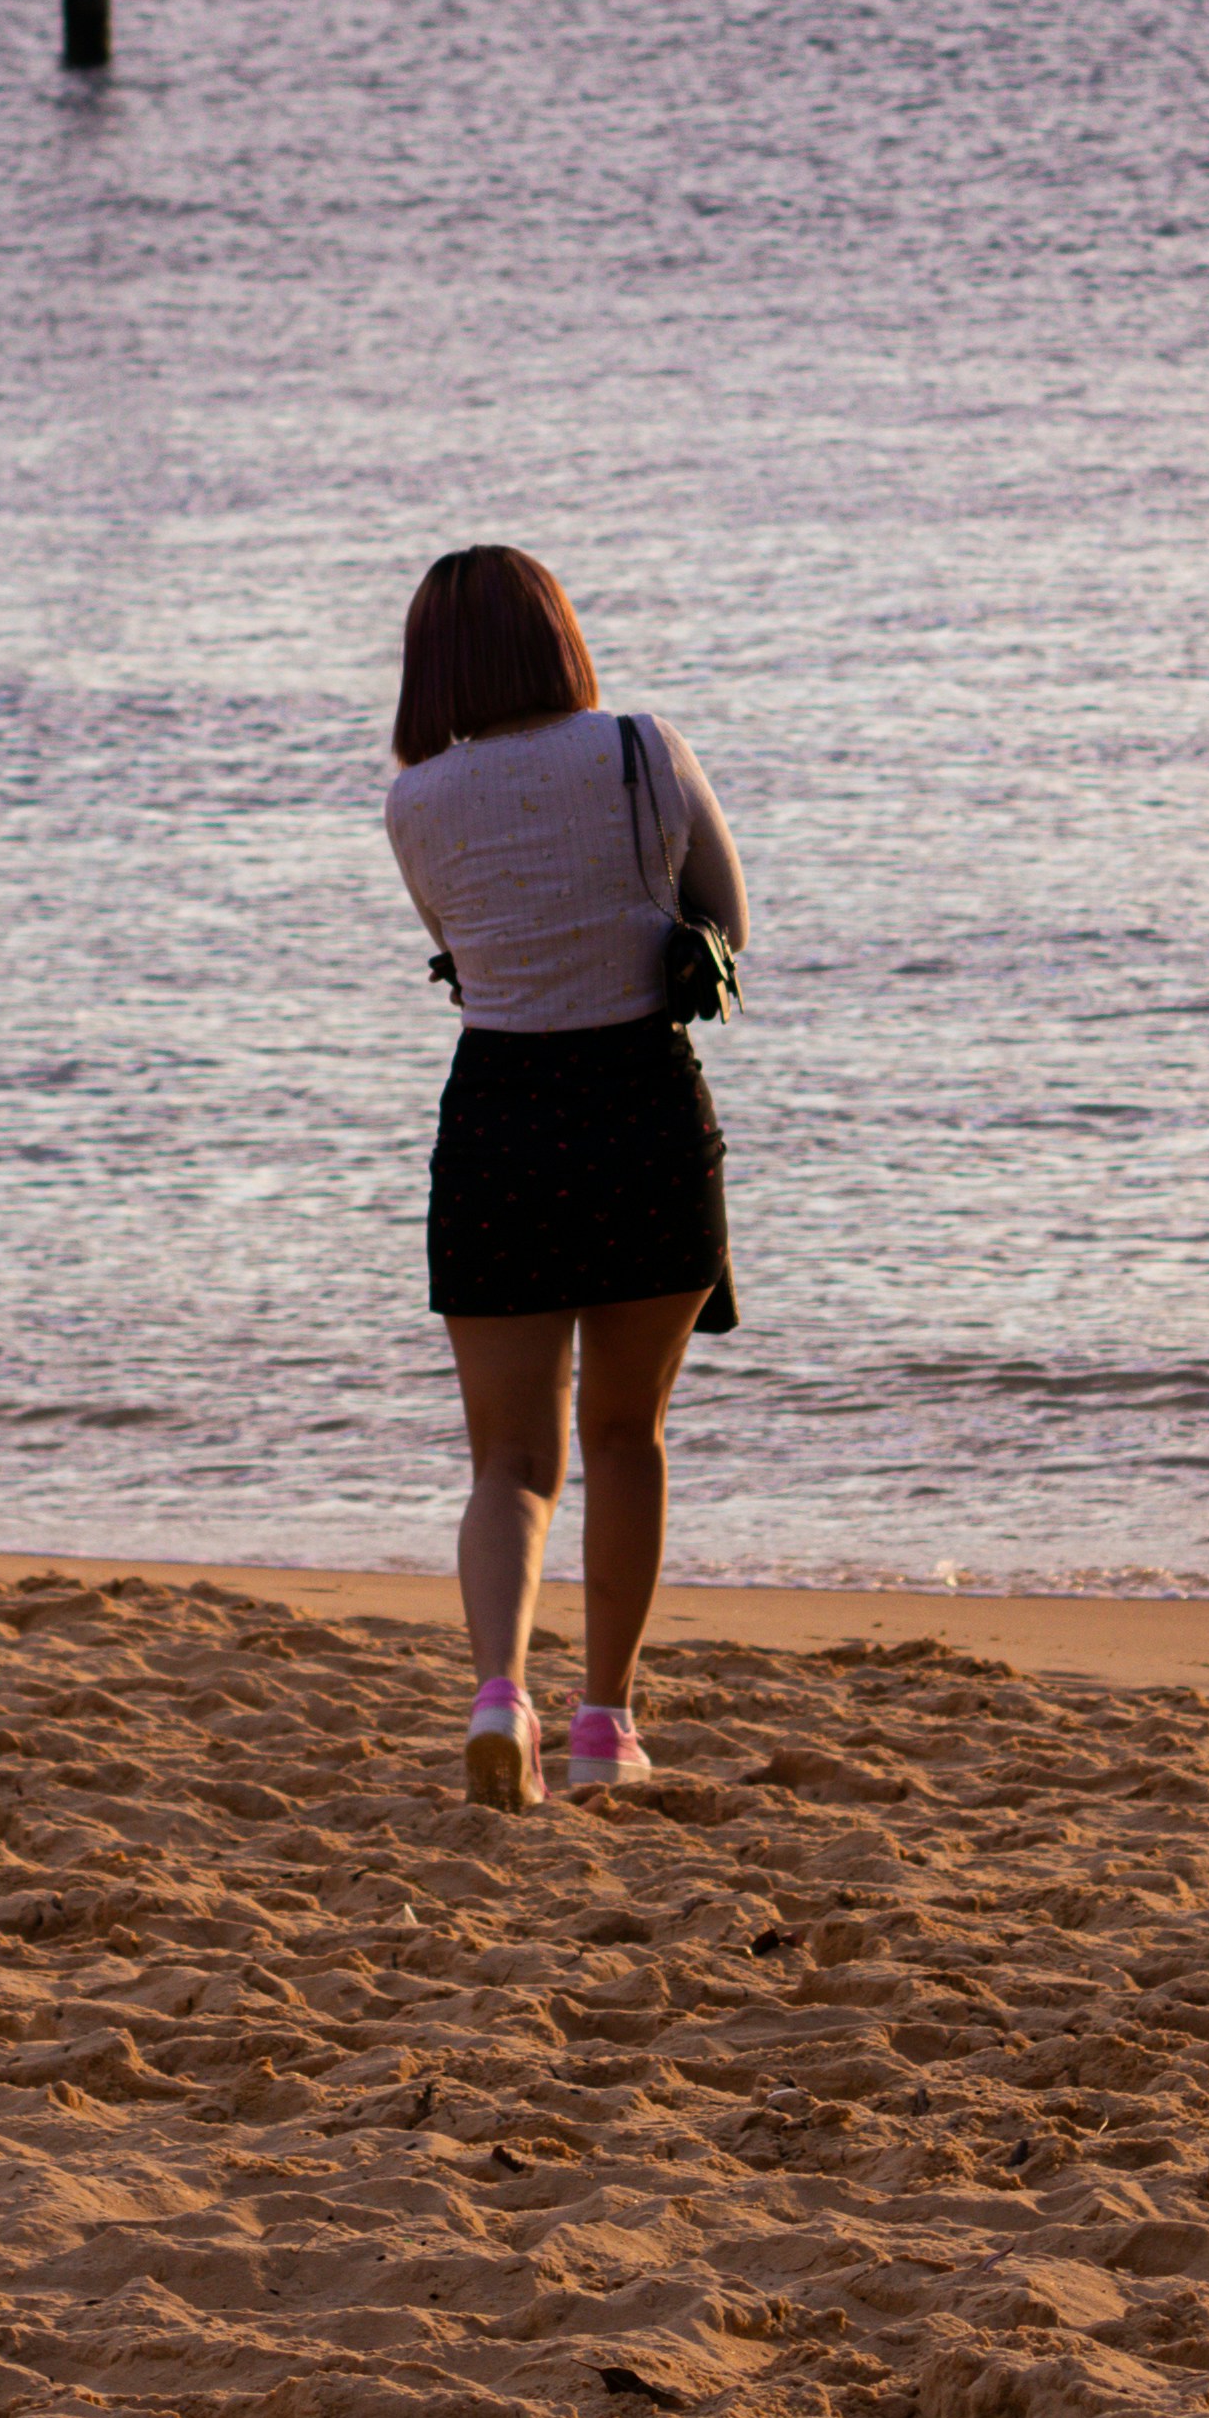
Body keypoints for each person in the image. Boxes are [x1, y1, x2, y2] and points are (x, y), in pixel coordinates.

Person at [383, 543, 750, 1813]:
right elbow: (727, 924)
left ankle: (498, 1698)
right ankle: (605, 1722)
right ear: (556, 639)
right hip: (641, 1110)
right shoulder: (643, 747)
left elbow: (464, 954)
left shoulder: (416, 800)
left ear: (435, 667)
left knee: (508, 1464)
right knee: (625, 1438)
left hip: (497, 1122)